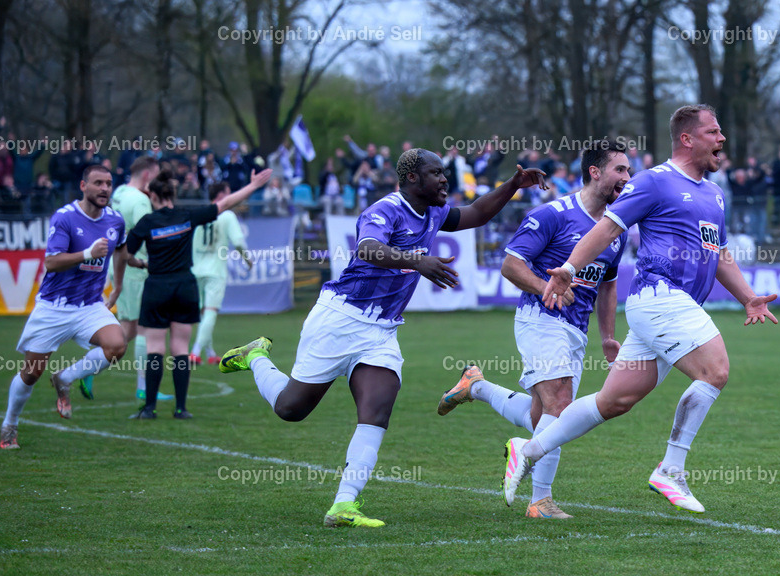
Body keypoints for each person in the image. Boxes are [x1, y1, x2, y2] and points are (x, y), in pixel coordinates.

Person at [218, 149, 547, 528]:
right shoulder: (385, 210)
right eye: (435, 173)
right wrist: (416, 260)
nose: (444, 180)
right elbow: (367, 249)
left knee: (377, 408)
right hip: (340, 319)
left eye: (444, 173)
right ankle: (256, 355)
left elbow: (475, 214)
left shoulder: (435, 210)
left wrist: (513, 186)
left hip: (381, 329)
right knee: (291, 409)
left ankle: (343, 506)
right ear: (411, 179)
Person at [500, 105, 778, 514]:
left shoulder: (716, 195)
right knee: (715, 370)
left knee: (613, 402)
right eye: (714, 132)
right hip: (661, 296)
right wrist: (568, 269)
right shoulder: (654, 182)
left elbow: (718, 255)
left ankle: (529, 448)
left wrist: (748, 297)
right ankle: (671, 469)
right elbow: (609, 227)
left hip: (669, 309)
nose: (722, 139)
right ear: (687, 138)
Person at [436, 141, 630, 519]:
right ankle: (540, 500)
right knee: (561, 406)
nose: (627, 177)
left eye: (628, 171)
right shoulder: (554, 214)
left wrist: (607, 336)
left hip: (577, 329)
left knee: (546, 418)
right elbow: (511, 266)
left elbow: (607, 284)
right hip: (540, 319)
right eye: (619, 170)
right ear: (594, 172)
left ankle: (475, 386)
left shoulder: (614, 230)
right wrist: (547, 287)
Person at [125, 168, 272, 419]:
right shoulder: (187, 216)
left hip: (157, 287)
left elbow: (127, 254)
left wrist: (142, 264)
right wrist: (253, 186)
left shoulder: (147, 223)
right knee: (181, 348)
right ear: (173, 194)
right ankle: (181, 408)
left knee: (155, 348)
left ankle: (149, 408)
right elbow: (225, 203)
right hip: (185, 286)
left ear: (152, 195)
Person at [0, 165, 129, 449]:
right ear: (83, 186)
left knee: (117, 346)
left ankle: (65, 378)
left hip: (89, 306)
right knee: (31, 373)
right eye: (98, 183)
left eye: (108, 183)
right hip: (54, 307)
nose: (105, 188)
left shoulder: (116, 220)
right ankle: (10, 424)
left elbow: (121, 250)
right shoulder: (66, 217)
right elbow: (51, 262)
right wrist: (87, 253)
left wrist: (117, 285)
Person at [107, 155, 169, 402]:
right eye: (155, 177)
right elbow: (151, 234)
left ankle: (88, 366)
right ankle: (144, 387)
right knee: (147, 329)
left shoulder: (120, 191)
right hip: (137, 268)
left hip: (119, 265)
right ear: (147, 175)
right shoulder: (141, 201)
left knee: (129, 329)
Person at [190, 182, 252, 365]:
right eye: (228, 193)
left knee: (203, 314)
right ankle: (195, 352)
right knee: (210, 312)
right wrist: (248, 260)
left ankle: (210, 353)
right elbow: (239, 243)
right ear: (221, 195)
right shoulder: (227, 215)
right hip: (215, 271)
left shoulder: (200, 214)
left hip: (196, 269)